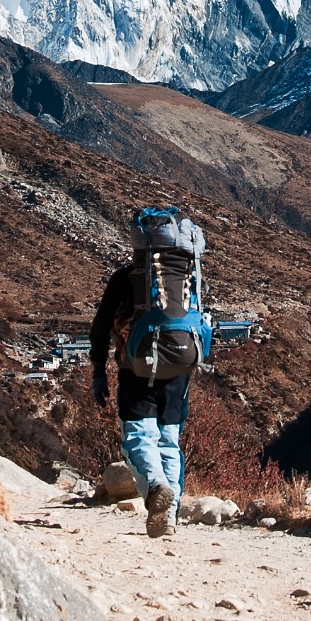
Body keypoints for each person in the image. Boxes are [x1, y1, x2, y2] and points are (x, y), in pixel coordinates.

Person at [89, 210, 208, 537]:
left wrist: (98, 371)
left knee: (139, 435)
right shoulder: (190, 277)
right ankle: (168, 517)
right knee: (169, 440)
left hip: (136, 366)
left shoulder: (125, 278)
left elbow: (100, 328)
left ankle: (155, 486)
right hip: (180, 367)